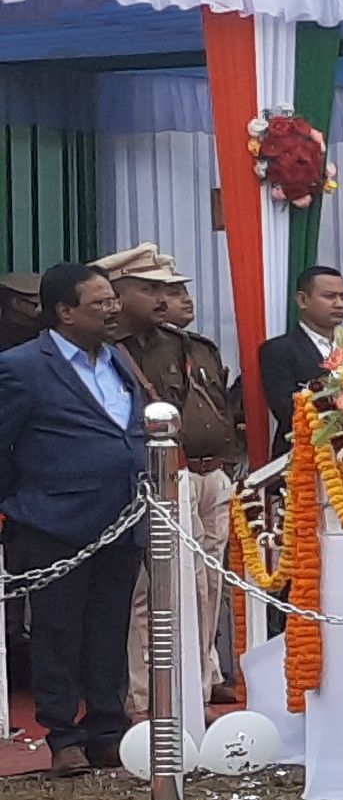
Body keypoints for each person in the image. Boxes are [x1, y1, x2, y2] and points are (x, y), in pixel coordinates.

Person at [0, 262, 154, 771]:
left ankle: (109, 729)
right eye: (100, 303)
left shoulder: (119, 360)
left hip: (121, 519)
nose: (113, 310)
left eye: (113, 300)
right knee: (57, 632)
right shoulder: (23, 366)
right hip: (53, 524)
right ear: (65, 312)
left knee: (109, 630)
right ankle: (63, 736)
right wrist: (19, 505)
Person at [105, 247, 242, 710]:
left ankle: (197, 684)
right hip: (156, 479)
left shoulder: (183, 343)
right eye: (151, 289)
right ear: (117, 293)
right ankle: (147, 698)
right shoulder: (106, 350)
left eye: (167, 288)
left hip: (207, 472)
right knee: (151, 594)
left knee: (205, 586)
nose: (164, 298)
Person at [256, 263, 343, 461]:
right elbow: (286, 409)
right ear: (303, 300)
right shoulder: (278, 350)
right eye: (330, 297)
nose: (340, 304)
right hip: (301, 460)